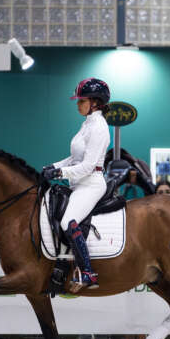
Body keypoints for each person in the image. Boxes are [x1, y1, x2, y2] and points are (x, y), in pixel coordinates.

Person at [41, 77, 112, 290]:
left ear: (95, 102)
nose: (78, 104)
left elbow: (88, 166)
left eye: (82, 101)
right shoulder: (87, 124)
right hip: (78, 182)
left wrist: (59, 172)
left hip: (91, 183)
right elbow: (74, 158)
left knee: (68, 222)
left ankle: (88, 272)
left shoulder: (98, 127)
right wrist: (53, 166)